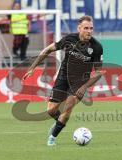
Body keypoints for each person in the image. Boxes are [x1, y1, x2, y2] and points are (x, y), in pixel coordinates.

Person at [23, 15, 104, 146]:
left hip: (79, 82)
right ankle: (60, 122)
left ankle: (52, 138)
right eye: (86, 28)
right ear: (79, 28)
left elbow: (99, 72)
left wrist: (84, 87)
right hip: (63, 77)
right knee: (51, 111)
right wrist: (32, 67)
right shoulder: (69, 39)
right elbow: (48, 49)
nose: (89, 31)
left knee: (68, 106)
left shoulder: (96, 47)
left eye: (91, 28)